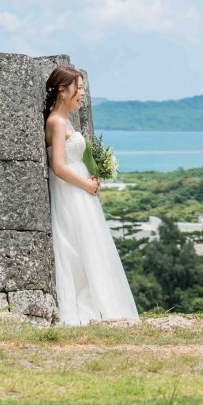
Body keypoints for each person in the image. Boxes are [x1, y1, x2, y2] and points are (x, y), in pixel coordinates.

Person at [44, 65, 139, 326]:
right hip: (70, 192)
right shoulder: (55, 121)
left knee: (90, 245)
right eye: (79, 87)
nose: (83, 93)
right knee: (76, 247)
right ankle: (84, 308)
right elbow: (59, 166)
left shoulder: (66, 120)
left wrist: (92, 177)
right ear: (63, 91)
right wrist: (86, 185)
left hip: (79, 190)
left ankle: (99, 304)